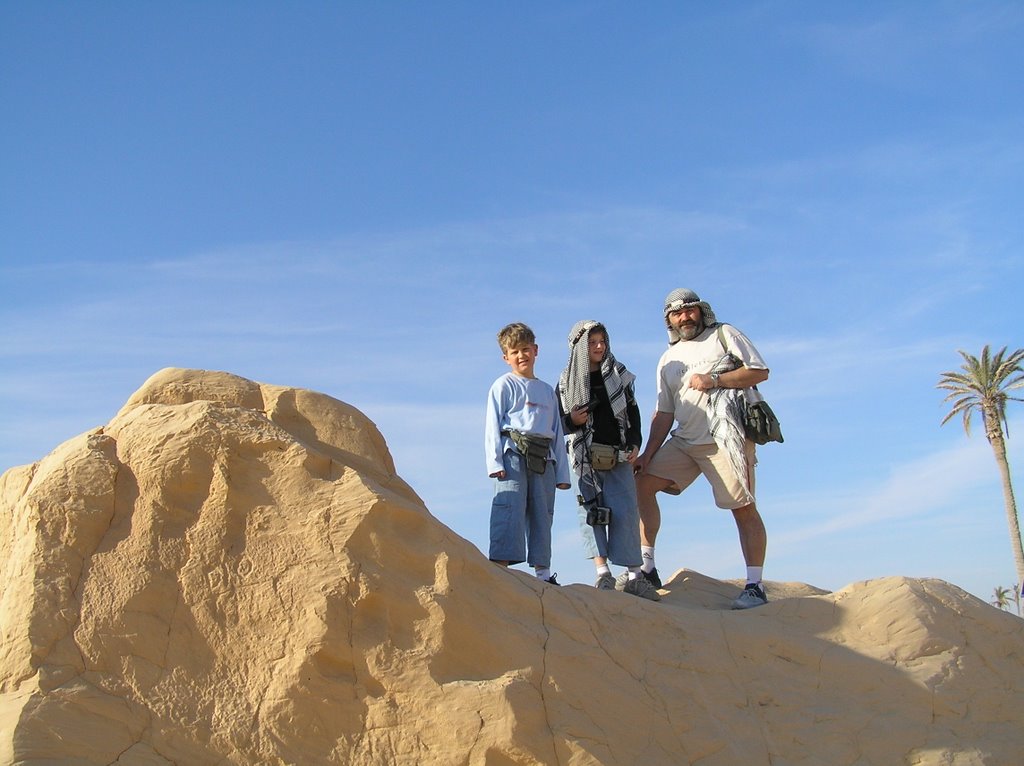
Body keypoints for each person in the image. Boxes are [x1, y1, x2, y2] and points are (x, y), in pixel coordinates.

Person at [633, 289, 772, 609]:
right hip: (685, 440)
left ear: (700, 311)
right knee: (641, 484)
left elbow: (759, 371)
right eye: (677, 313)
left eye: (689, 310)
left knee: (743, 508)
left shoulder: (724, 335)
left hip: (726, 437)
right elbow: (664, 412)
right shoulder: (667, 359)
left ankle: (755, 586)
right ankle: (648, 568)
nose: (685, 317)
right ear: (668, 320)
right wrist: (648, 455)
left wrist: (713, 380)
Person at [558, 321, 659, 601]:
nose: (599, 347)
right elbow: (558, 424)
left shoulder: (618, 373)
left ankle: (635, 577)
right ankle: (602, 573)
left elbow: (633, 412)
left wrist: (635, 443)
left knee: (627, 513)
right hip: (584, 459)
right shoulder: (566, 382)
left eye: (602, 341)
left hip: (619, 454)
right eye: (592, 343)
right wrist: (571, 420)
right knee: (591, 515)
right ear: (579, 347)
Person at [485, 322, 572, 583]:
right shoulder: (503, 385)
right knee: (509, 506)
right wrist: (494, 462)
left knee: (543, 513)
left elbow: (557, 431)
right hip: (512, 453)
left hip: (544, 457)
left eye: (525, 349)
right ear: (506, 358)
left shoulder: (547, 391)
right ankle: (500, 568)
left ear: (536, 350)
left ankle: (543, 573)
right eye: (515, 352)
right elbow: (492, 425)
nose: (521, 355)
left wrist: (562, 474)